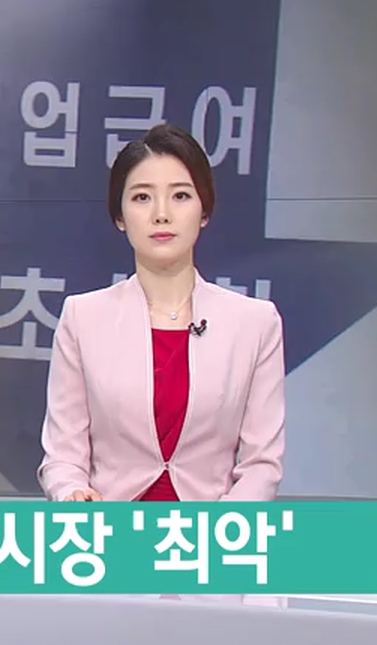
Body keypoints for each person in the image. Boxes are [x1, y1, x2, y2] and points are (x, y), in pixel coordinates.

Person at [38, 123, 286, 504]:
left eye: (181, 195)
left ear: (204, 210)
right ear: (120, 216)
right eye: (142, 197)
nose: (161, 214)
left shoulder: (255, 324)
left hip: (213, 530)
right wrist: (72, 493)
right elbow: (62, 456)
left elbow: (262, 465)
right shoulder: (82, 318)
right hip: (109, 527)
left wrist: (223, 525)